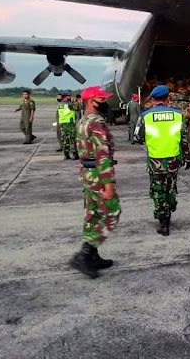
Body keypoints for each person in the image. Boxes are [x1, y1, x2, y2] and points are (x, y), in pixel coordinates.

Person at [69, 85, 120, 279]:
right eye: (102, 99)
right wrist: (108, 184)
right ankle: (85, 254)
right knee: (112, 212)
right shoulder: (96, 123)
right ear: (92, 101)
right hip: (98, 174)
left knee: (93, 213)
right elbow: (102, 155)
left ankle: (93, 257)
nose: (105, 102)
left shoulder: (83, 121)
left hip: (87, 173)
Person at [134, 85, 187, 236]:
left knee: (158, 190)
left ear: (152, 99)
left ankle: (163, 221)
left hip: (155, 161)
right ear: (167, 98)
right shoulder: (178, 114)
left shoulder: (145, 116)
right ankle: (171, 206)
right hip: (173, 159)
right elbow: (184, 138)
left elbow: (137, 137)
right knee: (171, 187)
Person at [57, 91, 79, 160]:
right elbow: (78, 107)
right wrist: (75, 102)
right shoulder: (69, 105)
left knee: (65, 139)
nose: (70, 97)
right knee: (72, 139)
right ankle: (74, 154)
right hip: (70, 123)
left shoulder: (60, 105)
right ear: (66, 97)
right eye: (69, 96)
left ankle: (66, 154)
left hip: (63, 124)